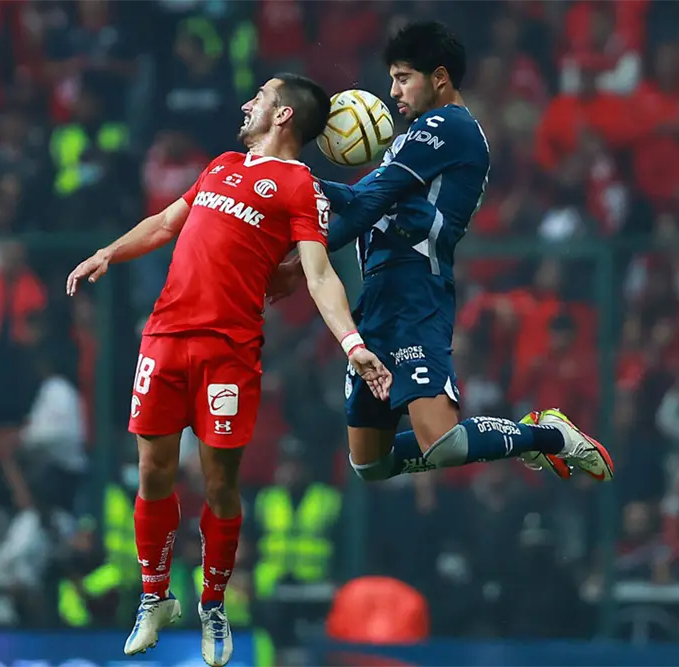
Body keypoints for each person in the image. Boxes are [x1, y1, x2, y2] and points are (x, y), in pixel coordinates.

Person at [65, 73, 393, 667]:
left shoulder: (299, 188)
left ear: (284, 114)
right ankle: (155, 596)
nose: (248, 104)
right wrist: (108, 251)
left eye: (260, 97)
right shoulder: (219, 165)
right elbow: (167, 224)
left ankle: (213, 604)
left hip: (229, 349)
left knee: (219, 482)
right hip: (164, 335)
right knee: (153, 472)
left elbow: (318, 274)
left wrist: (351, 343)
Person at [270, 21, 614, 485]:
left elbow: (367, 202)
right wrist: (290, 188)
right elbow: (361, 200)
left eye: (403, 77)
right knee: (369, 463)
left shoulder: (450, 127)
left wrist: (303, 248)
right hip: (379, 296)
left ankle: (546, 435)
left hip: (415, 291)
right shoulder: (412, 138)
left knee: (444, 443)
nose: (393, 90)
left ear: (440, 78)